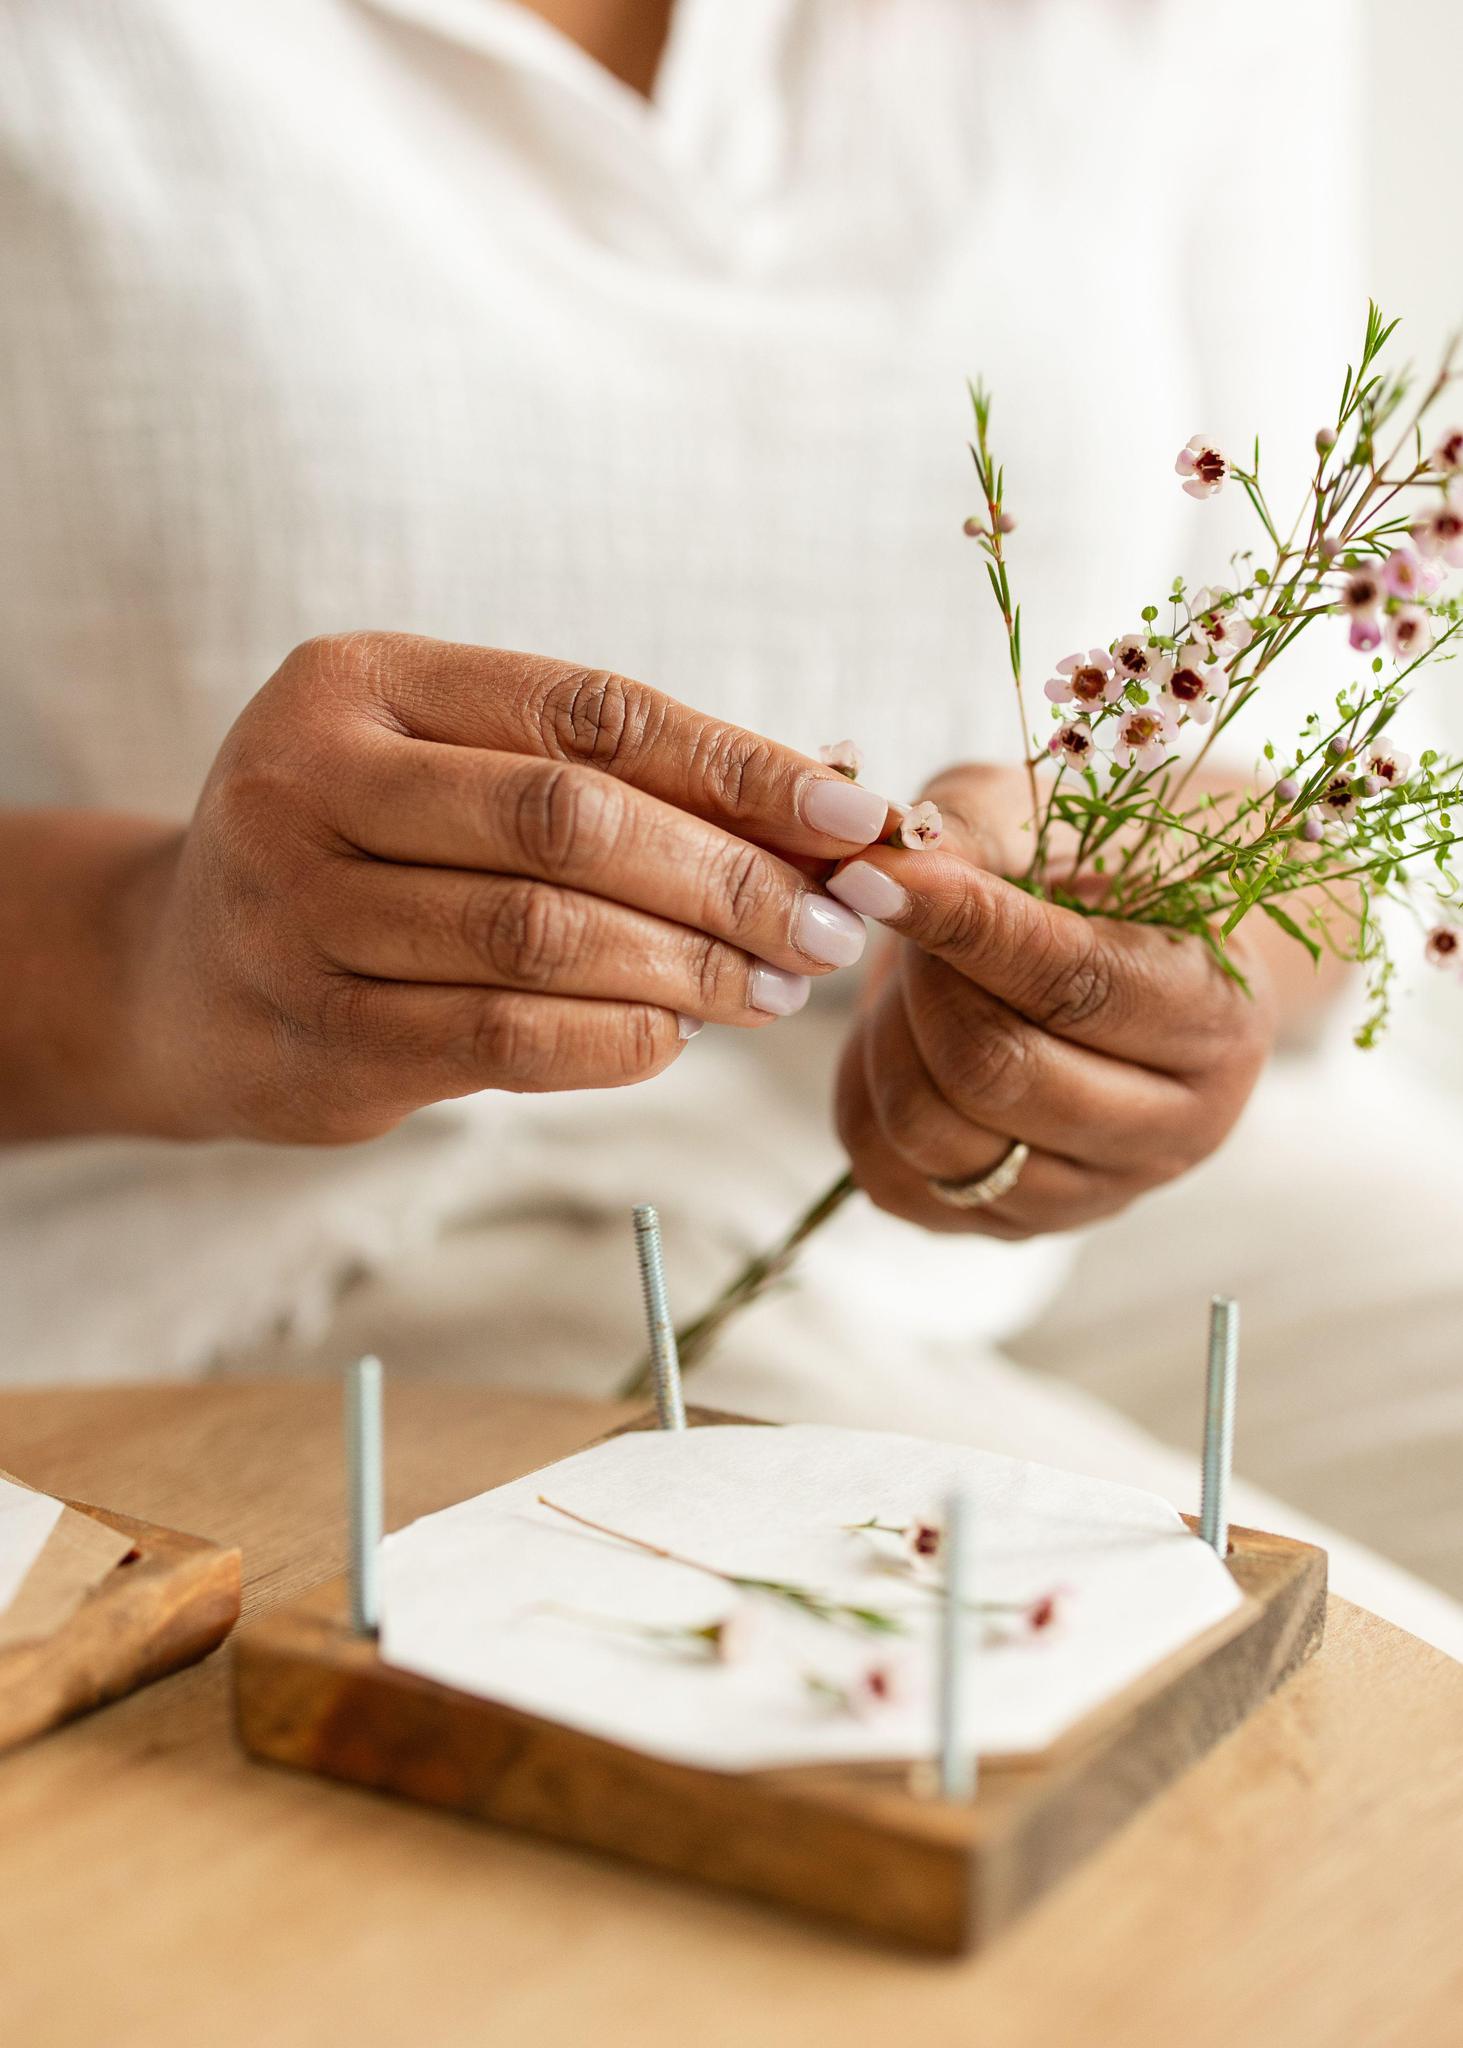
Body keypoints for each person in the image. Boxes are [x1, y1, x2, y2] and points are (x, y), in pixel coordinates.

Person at [3, 0, 1460, 1650]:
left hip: (1153, 1202)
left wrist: (1174, 960)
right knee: (1281, 1730)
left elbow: (1326, 798)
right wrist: (146, 953)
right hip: (328, 1229)